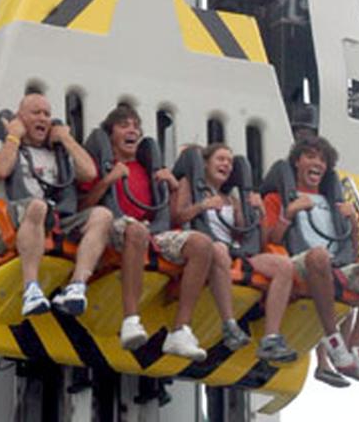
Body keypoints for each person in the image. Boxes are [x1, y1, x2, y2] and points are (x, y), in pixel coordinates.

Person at [77, 105, 249, 361]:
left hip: (149, 230)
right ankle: (131, 319)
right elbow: (85, 206)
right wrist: (109, 179)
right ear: (111, 133)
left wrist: (171, 187)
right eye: (125, 125)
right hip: (115, 225)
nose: (132, 129)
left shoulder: (147, 169)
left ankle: (180, 330)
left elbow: (170, 216)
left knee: (201, 244)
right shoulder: (102, 165)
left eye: (136, 125)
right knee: (135, 231)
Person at [262, 136, 359, 384]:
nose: (317, 163)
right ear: (297, 162)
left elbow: (351, 251)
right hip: (299, 262)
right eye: (310, 157)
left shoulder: (334, 203)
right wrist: (289, 214)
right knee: (319, 256)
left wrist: (352, 221)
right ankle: (333, 340)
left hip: (335, 265)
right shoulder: (279, 198)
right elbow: (270, 240)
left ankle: (356, 346)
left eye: (322, 159)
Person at [0, 93, 113, 317]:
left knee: (102, 215)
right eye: (36, 113)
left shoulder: (56, 154)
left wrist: (67, 140)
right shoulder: (2, 144)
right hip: (15, 217)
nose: (43, 119)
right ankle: (31, 289)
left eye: (47, 114)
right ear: (20, 117)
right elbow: (1, 169)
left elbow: (89, 173)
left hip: (56, 218)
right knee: (37, 206)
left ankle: (77, 285)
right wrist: (14, 137)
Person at [172, 143, 297, 363]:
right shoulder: (188, 185)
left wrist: (258, 211)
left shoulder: (232, 200)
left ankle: (271, 337)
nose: (226, 165)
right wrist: (202, 206)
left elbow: (252, 236)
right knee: (218, 248)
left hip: (235, 252)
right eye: (220, 159)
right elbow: (176, 217)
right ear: (206, 164)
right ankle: (230, 324)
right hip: (205, 248)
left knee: (284, 266)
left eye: (229, 162)